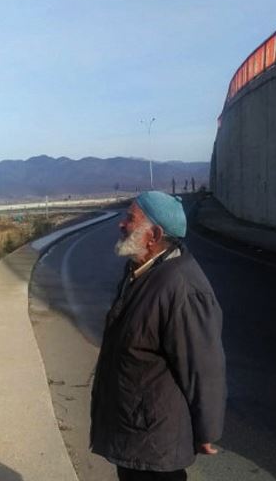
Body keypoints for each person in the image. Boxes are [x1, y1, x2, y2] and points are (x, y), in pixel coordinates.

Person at [90, 191, 226, 480]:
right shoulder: (139, 273)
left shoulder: (182, 288)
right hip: (133, 429)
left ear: (154, 234)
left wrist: (207, 430)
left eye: (130, 218)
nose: (121, 224)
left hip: (154, 439)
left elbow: (203, 367)